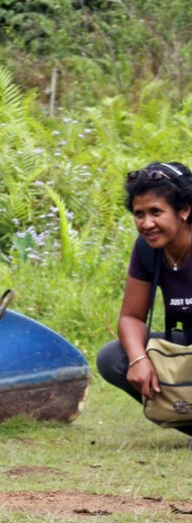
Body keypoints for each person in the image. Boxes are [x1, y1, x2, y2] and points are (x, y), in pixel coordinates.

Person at [97, 160, 192, 445]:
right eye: (139, 214)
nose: (146, 223)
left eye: (156, 212)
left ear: (185, 210)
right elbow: (131, 318)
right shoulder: (148, 250)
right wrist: (139, 360)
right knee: (113, 358)